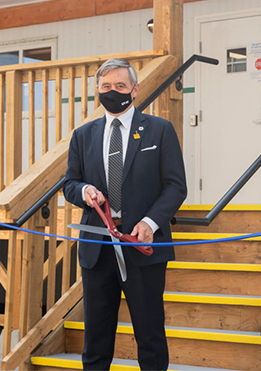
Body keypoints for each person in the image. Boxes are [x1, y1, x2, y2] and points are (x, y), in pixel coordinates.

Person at [63, 58, 187, 371]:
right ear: (97, 91)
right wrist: (84, 192)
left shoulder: (159, 130)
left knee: (150, 337)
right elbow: (70, 184)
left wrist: (149, 222)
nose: (113, 91)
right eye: (106, 87)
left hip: (142, 246)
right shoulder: (82, 136)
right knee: (96, 339)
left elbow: (175, 187)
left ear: (134, 89)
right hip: (98, 247)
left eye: (120, 86)